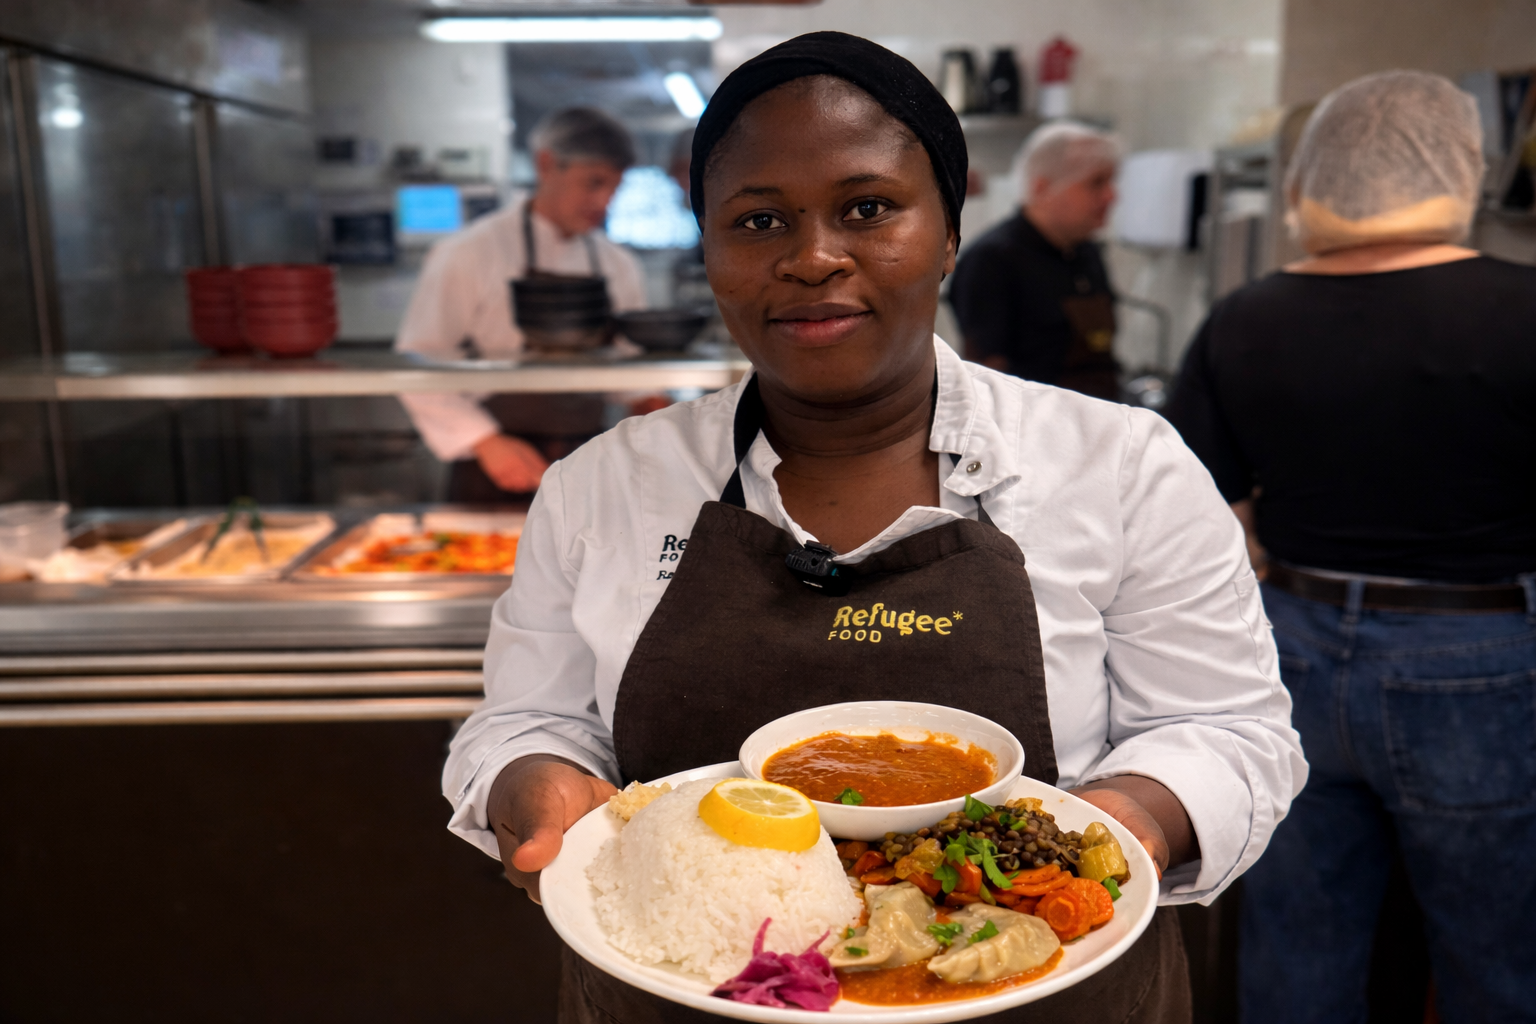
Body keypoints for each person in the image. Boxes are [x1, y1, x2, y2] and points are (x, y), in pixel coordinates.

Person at [444, 32, 1304, 1023]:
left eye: (867, 208)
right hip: (678, 986)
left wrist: (1119, 828)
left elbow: (1229, 730)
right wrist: (534, 780)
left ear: (947, 233)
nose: (813, 257)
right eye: (759, 219)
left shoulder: (1121, 466)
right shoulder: (602, 488)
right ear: (712, 253)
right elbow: (526, 719)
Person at [1165, 70, 1536, 1023]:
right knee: (1495, 945)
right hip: (1477, 662)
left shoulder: (1245, 315)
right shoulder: (1520, 308)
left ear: (1313, 174)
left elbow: (1199, 505)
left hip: (1288, 650)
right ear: (1464, 165)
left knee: (1298, 934)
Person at [395, 107, 647, 500]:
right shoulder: (469, 253)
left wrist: (654, 408)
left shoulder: (618, 263)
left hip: (590, 460)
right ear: (546, 164)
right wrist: (485, 442)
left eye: (615, 187)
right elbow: (419, 363)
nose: (604, 200)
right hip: (495, 465)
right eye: (593, 182)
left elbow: (629, 369)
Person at [947, 122, 1122, 400]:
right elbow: (988, 379)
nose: (1112, 196)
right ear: (1042, 187)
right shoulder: (992, 260)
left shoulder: (1086, 252)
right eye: (1096, 182)